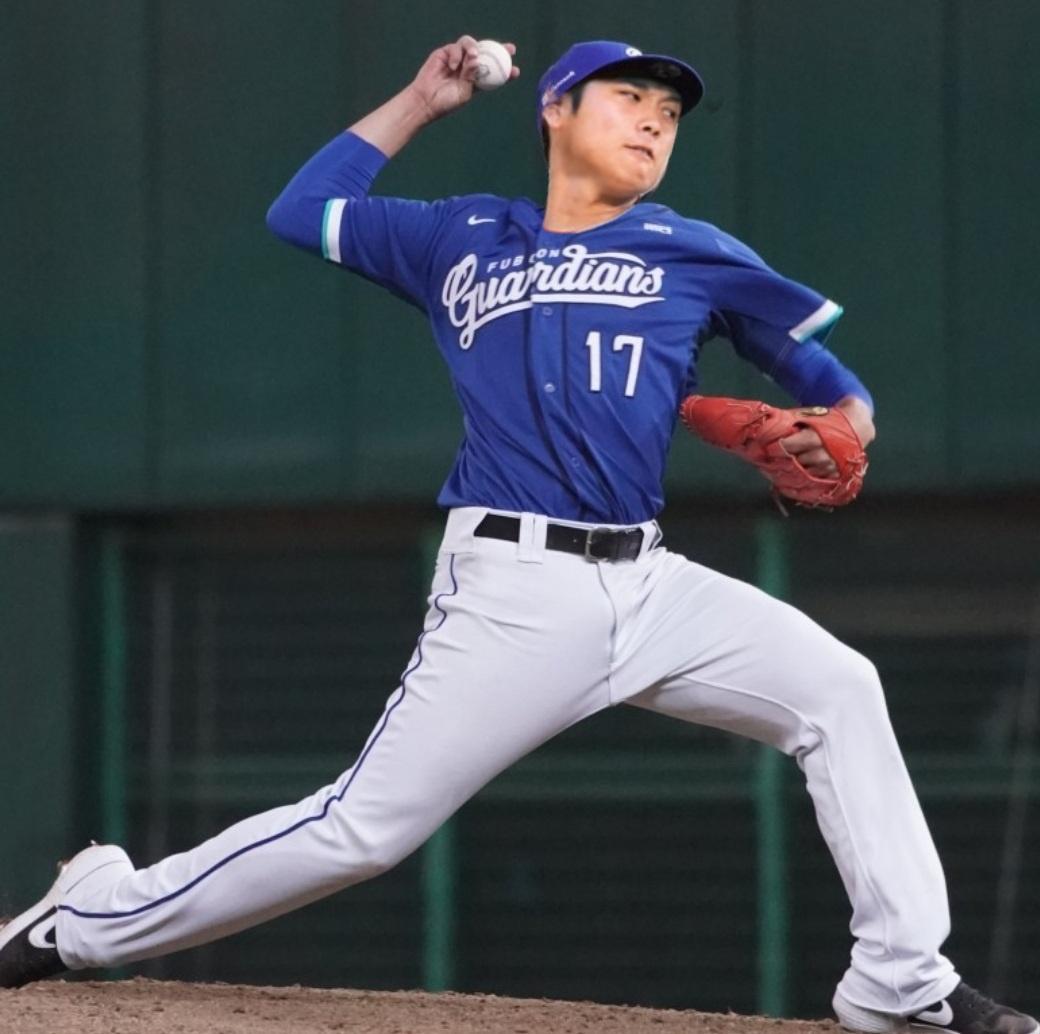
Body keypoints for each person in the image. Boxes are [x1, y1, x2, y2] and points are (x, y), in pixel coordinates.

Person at [0, 36, 1034, 1033]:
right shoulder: (461, 236)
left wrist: (847, 422)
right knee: (362, 831)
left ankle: (899, 980)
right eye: (628, 99)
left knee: (839, 688)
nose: (652, 123)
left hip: (650, 583)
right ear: (556, 110)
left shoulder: (693, 251)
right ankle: (87, 916)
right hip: (512, 589)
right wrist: (421, 103)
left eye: (668, 112)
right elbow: (300, 212)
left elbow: (826, 380)